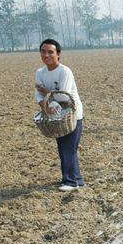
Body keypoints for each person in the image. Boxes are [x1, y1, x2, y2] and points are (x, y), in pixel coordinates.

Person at [35, 38, 85, 192]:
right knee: (63, 147)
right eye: (43, 52)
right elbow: (38, 95)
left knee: (68, 148)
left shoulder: (64, 71)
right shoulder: (40, 73)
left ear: (58, 54)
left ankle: (70, 182)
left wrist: (47, 92)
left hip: (72, 115)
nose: (47, 55)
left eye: (51, 52)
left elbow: (64, 96)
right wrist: (45, 108)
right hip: (56, 116)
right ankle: (77, 179)